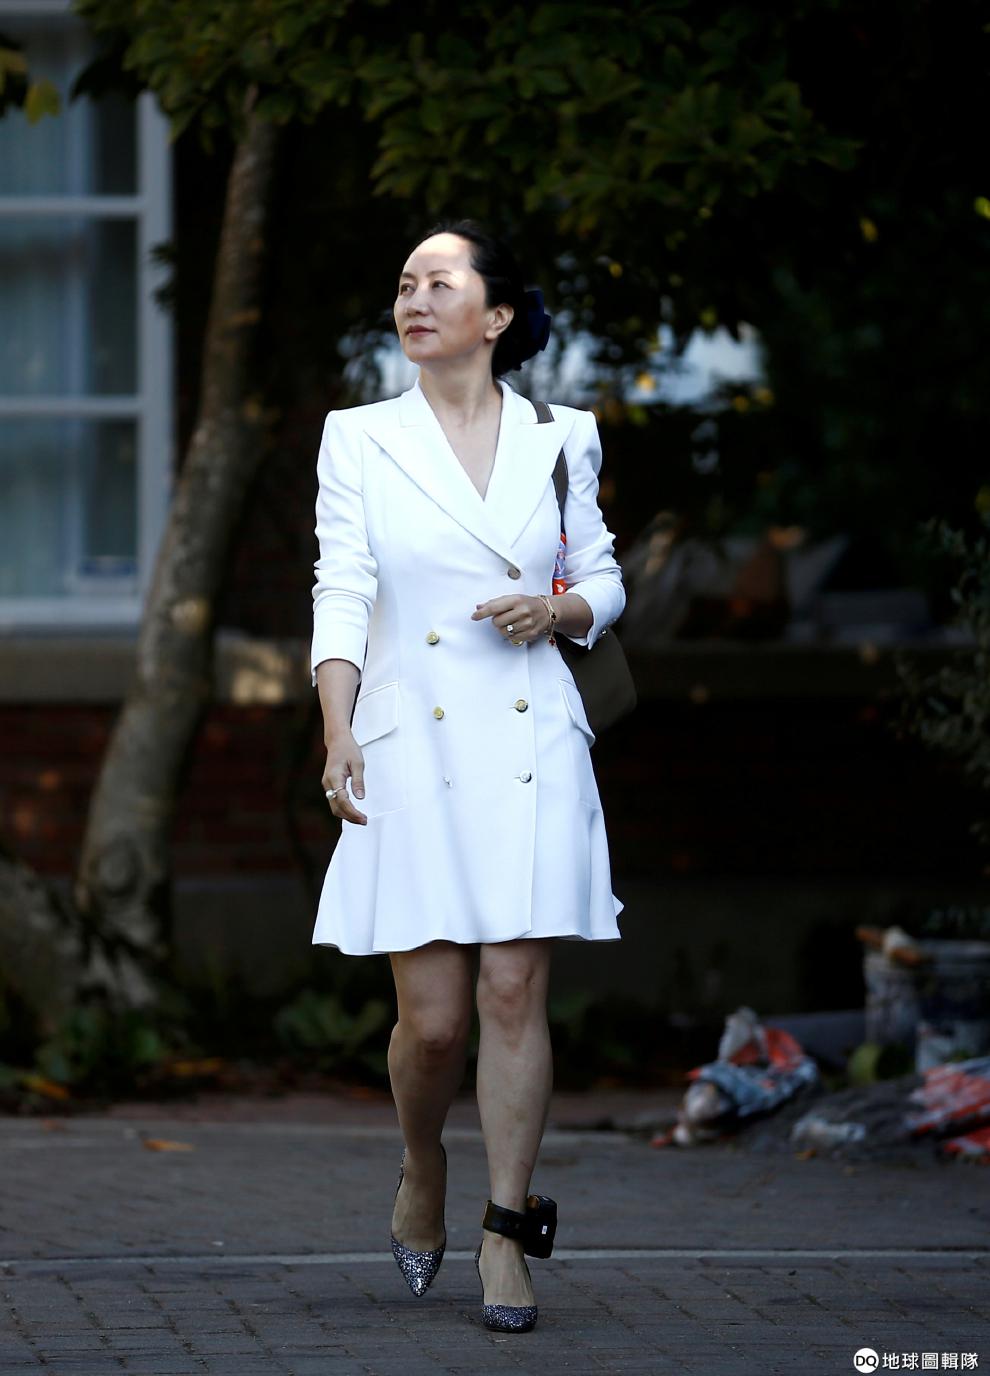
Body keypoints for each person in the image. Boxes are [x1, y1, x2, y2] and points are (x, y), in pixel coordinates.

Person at [310, 217, 626, 1333]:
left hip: (531, 737)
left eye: (440, 282)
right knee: (436, 1023)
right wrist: (337, 727)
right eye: (405, 283)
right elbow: (342, 587)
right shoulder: (358, 436)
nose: (415, 298)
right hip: (414, 742)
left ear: (495, 315)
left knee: (512, 990)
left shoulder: (560, 435)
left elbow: (602, 577)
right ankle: (422, 1159)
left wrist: (558, 607)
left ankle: (506, 1228)